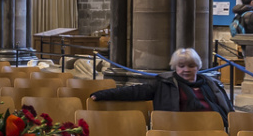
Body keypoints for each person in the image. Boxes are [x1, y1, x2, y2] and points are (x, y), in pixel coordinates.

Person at [88, 48, 232, 119]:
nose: (186, 70)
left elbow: (229, 110)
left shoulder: (212, 84)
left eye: (191, 66)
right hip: (178, 131)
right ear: (175, 67)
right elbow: (134, 92)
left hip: (214, 131)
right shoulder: (164, 83)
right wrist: (103, 94)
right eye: (181, 66)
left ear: (198, 67)